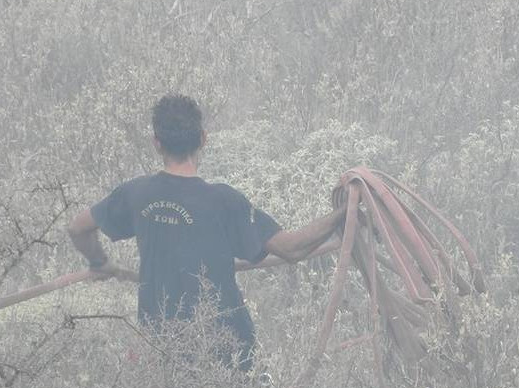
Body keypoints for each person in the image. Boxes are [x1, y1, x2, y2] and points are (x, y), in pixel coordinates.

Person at [68, 94, 344, 372]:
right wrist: (343, 214)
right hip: (229, 345)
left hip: (163, 344)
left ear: (156, 143)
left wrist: (99, 262)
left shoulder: (136, 193)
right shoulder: (223, 201)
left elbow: (78, 228)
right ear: (203, 139)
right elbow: (292, 248)